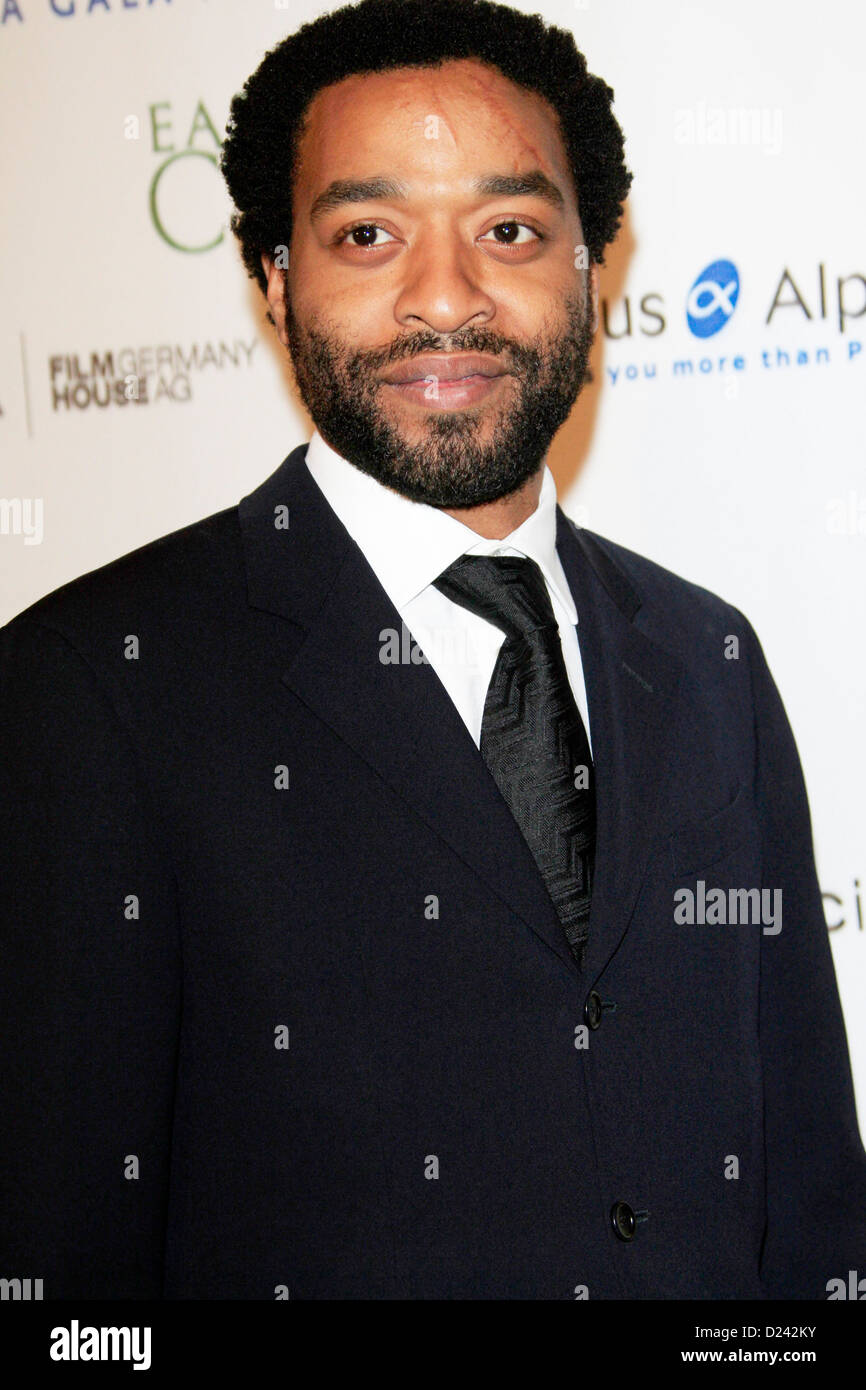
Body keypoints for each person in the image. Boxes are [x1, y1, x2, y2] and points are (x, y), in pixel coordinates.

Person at [1, 0, 864, 1300]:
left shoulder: (704, 658)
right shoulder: (94, 684)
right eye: (367, 234)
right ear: (273, 279)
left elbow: (809, 1208)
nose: (446, 297)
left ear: (591, 265)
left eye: (508, 230)